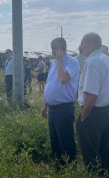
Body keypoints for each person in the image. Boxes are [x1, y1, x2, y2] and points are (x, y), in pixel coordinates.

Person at [43, 37, 79, 168]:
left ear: (63, 49)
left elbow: (63, 79)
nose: (52, 52)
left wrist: (59, 61)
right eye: (51, 49)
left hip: (64, 109)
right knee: (55, 141)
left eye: (55, 49)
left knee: (66, 141)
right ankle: (59, 168)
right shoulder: (54, 64)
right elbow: (50, 83)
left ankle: (70, 168)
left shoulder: (72, 62)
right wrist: (45, 104)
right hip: (52, 109)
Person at [76, 32, 109, 173]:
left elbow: (91, 94)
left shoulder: (92, 61)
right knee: (104, 148)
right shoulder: (106, 59)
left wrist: (83, 116)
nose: (81, 46)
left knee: (90, 151)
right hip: (106, 110)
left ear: (91, 44)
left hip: (93, 111)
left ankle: (95, 174)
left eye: (82, 43)